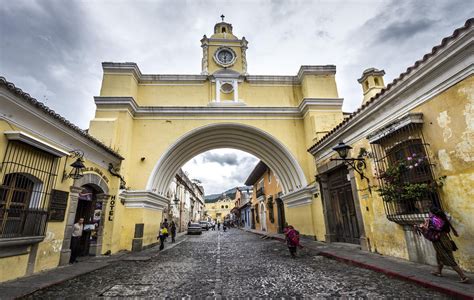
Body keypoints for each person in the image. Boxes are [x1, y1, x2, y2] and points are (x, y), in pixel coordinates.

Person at [415, 206, 469, 283]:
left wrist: (421, 227)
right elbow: (446, 228)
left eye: (430, 212)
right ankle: (438, 271)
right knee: (439, 255)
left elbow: (430, 229)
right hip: (445, 238)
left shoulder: (432, 220)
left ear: (432, 213)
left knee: (448, 257)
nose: (429, 213)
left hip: (439, 241)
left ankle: (463, 277)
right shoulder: (443, 218)